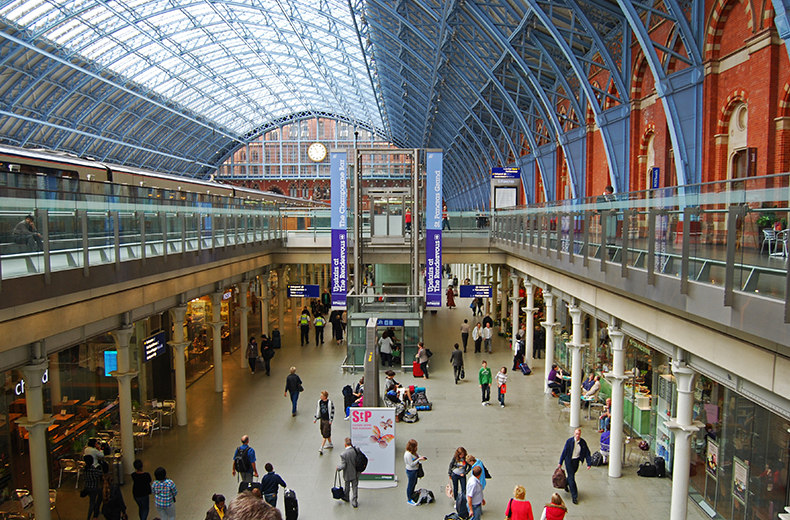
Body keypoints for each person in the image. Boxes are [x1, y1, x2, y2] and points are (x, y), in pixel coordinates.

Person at [558, 428, 592, 504]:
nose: (577, 435)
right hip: (569, 461)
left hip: (576, 461)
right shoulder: (569, 441)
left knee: (571, 476)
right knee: (572, 478)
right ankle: (574, 496)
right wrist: (560, 462)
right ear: (574, 434)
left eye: (579, 434)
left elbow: (587, 452)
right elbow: (565, 452)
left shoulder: (582, 443)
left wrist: (589, 463)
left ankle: (565, 483)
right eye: (576, 434)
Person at [336, 437, 359, 508]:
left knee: (347, 486)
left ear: (345, 444)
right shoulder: (356, 450)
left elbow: (344, 465)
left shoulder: (343, 454)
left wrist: (338, 468)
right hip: (355, 472)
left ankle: (346, 497)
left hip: (347, 473)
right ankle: (354, 501)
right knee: (355, 487)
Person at [404, 439, 426, 505]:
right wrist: (418, 459)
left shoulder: (413, 453)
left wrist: (420, 457)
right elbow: (411, 464)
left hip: (415, 470)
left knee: (414, 482)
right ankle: (409, 499)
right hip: (411, 471)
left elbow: (416, 456)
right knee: (410, 484)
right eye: (415, 446)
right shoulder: (408, 455)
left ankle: (412, 494)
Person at [314, 390, 334, 455]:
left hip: (327, 420)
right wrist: (316, 418)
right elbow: (318, 410)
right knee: (324, 432)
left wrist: (330, 420)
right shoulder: (319, 402)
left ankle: (321, 447)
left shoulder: (329, 403)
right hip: (322, 419)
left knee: (325, 434)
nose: (320, 396)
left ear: (325, 397)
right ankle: (330, 444)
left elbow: (332, 411)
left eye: (322, 395)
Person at [83, 455, 103, 520]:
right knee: (92, 502)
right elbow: (100, 474)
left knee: (92, 500)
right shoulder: (94, 470)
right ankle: (90, 516)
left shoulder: (85, 470)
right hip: (94, 488)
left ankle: (96, 511)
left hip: (87, 488)